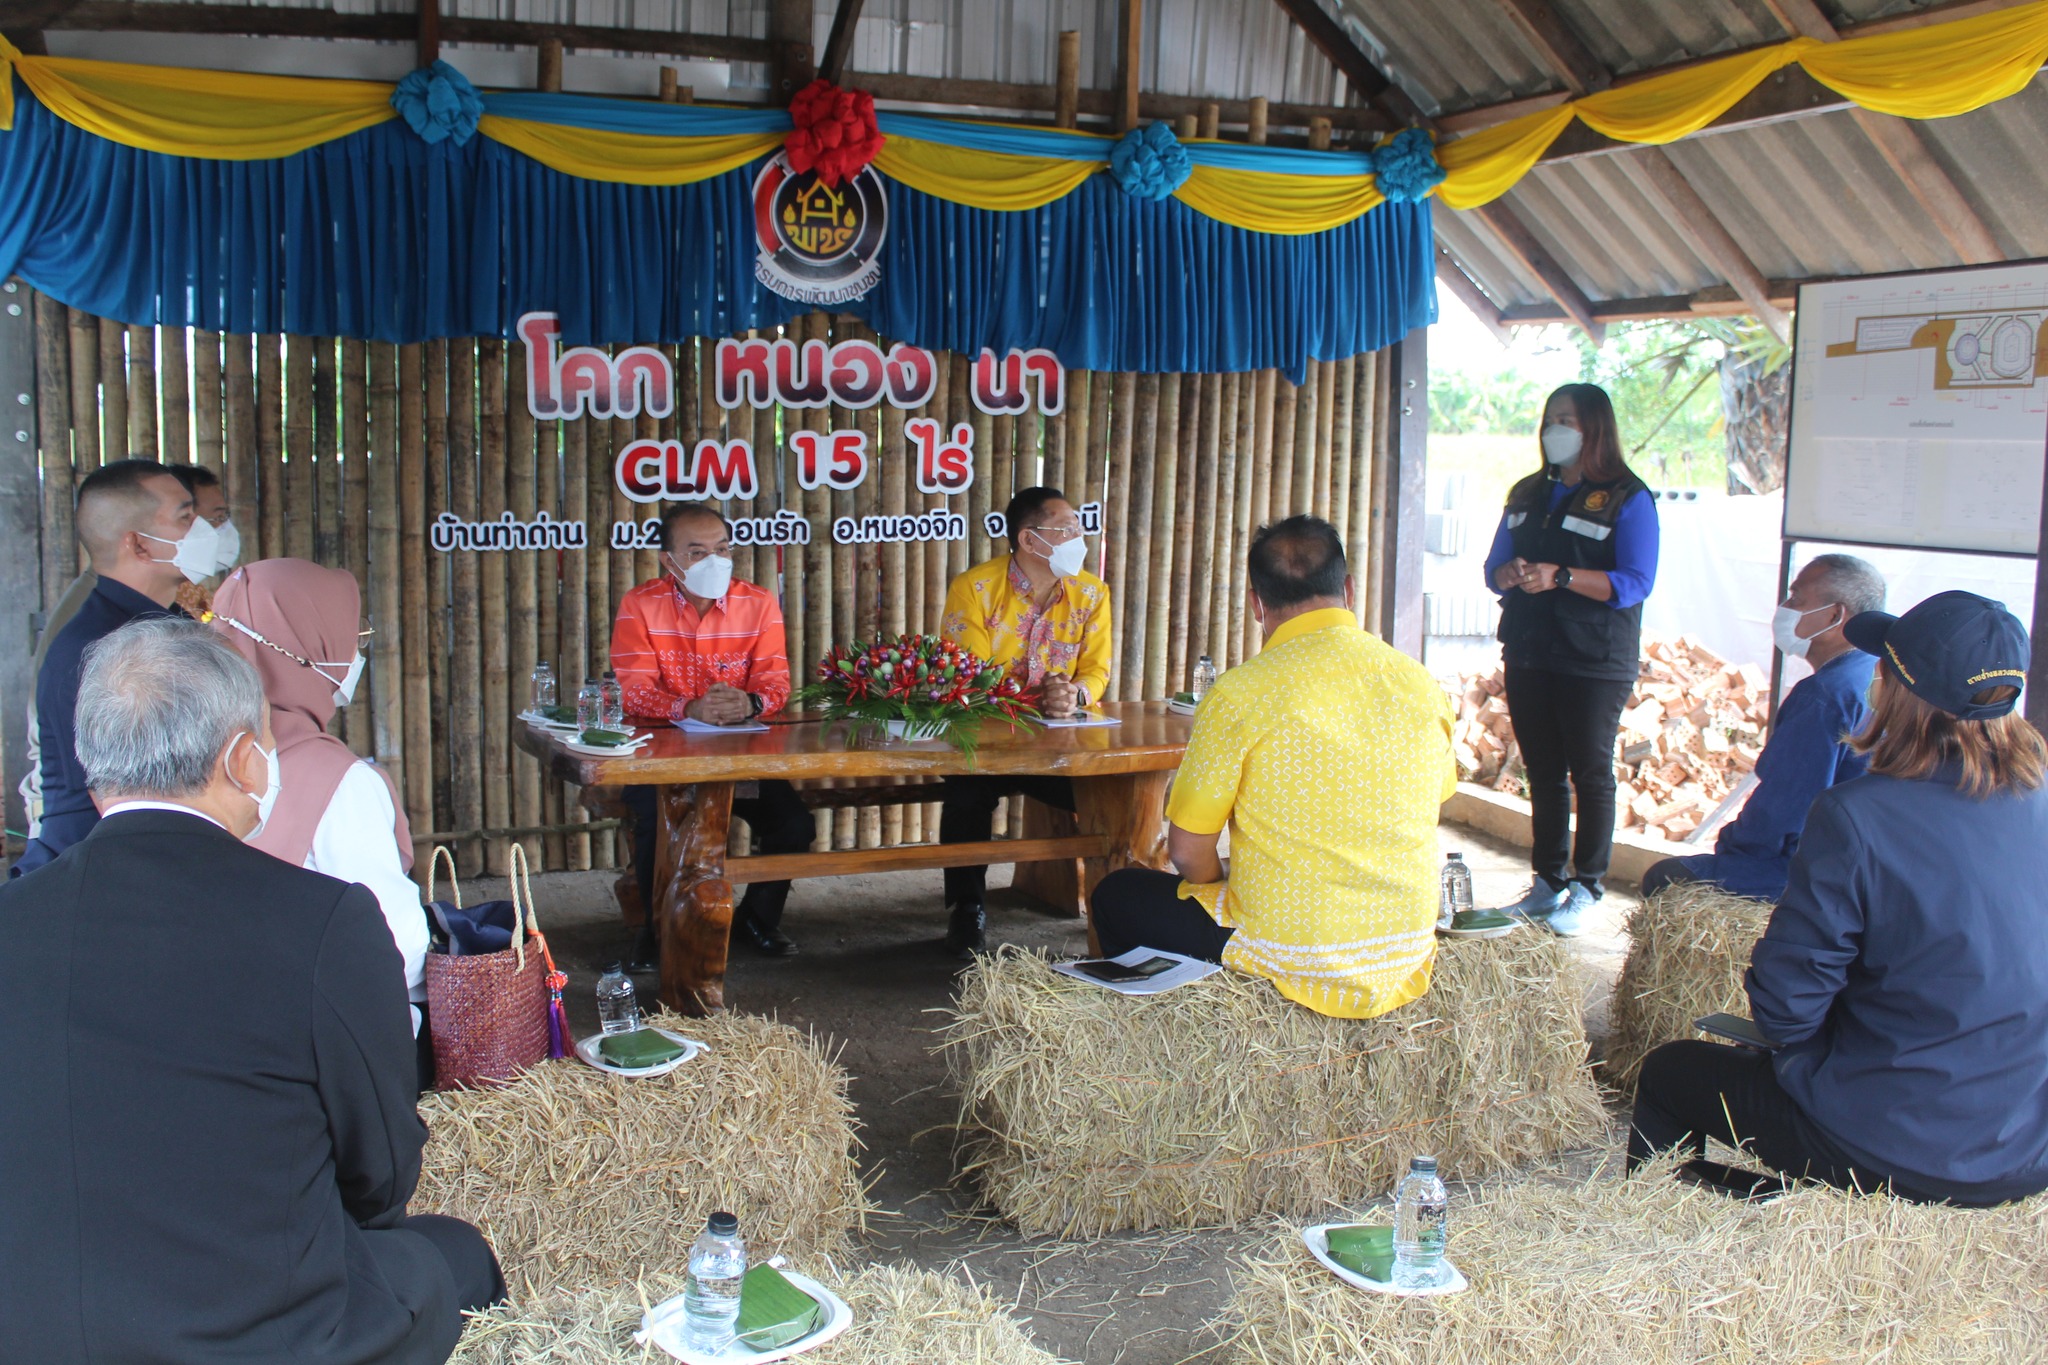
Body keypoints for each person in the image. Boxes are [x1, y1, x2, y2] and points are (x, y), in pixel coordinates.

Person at [0, 617, 501, 1363]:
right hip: (262, 1336)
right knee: (455, 1254)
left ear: (94, 762)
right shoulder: (323, 921)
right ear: (242, 757)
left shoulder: (14, 916)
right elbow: (380, 1180)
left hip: (30, 1328)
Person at [1629, 591, 2048, 1206]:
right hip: (2025, 1149)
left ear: (1900, 688)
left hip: (1895, 1146)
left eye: (1884, 665)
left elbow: (1784, 1010)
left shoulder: (1859, 817)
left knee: (1670, 1073)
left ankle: (1668, 1229)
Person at [1089, 515, 1456, 1018]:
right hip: (1404, 944)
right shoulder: (1419, 682)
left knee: (1117, 894)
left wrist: (1220, 888)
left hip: (1297, 952)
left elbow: (1187, 849)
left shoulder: (1241, 693)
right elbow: (1432, 797)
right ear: (1349, 589)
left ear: (1257, 603)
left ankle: (1166, 1030)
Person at [211, 560, 429, 1055]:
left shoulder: (183, 753)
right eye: (351, 633)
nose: (354, 650)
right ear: (307, 648)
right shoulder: (339, 782)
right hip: (313, 1044)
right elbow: (399, 951)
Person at [1480, 382, 1660, 936]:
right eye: (1550, 419)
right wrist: (1507, 575)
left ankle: (1587, 887)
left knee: (1589, 771)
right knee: (1543, 772)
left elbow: (1636, 581)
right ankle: (1546, 882)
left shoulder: (1629, 497)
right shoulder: (1528, 492)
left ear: (1595, 429)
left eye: (1568, 420)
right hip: (1532, 649)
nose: (1554, 430)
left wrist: (1560, 576)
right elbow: (1494, 567)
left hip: (1594, 657)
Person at [613, 503, 813, 962]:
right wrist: (689, 706)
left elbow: (775, 682)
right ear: (670, 561)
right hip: (661, 754)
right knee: (656, 826)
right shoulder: (640, 604)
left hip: (739, 751)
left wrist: (751, 702)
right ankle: (653, 930)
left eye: (723, 549)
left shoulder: (758, 602)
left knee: (793, 826)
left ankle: (757, 921)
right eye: (698, 552)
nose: (715, 562)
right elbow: (634, 691)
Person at [1641, 554, 1885, 901]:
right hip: (1866, 864)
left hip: (1817, 871)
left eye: (1796, 598)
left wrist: (1732, 849)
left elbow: (1782, 809)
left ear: (1834, 615)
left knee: (1668, 881)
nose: (1784, 607)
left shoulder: (1825, 696)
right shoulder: (1878, 675)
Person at [14, 458, 216, 875]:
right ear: (138, 544)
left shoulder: (165, 622)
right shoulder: (95, 646)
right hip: (90, 872)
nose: (203, 530)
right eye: (185, 517)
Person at [936, 486, 1113, 958]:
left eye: (1080, 528)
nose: (1080, 538)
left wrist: (1074, 694)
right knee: (966, 794)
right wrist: (1039, 696)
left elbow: (1096, 671)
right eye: (1068, 529)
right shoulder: (974, 589)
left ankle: (1114, 904)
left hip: (1059, 744)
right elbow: (964, 674)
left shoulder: (1091, 593)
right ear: (1031, 540)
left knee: (1108, 791)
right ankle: (967, 907)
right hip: (987, 737)